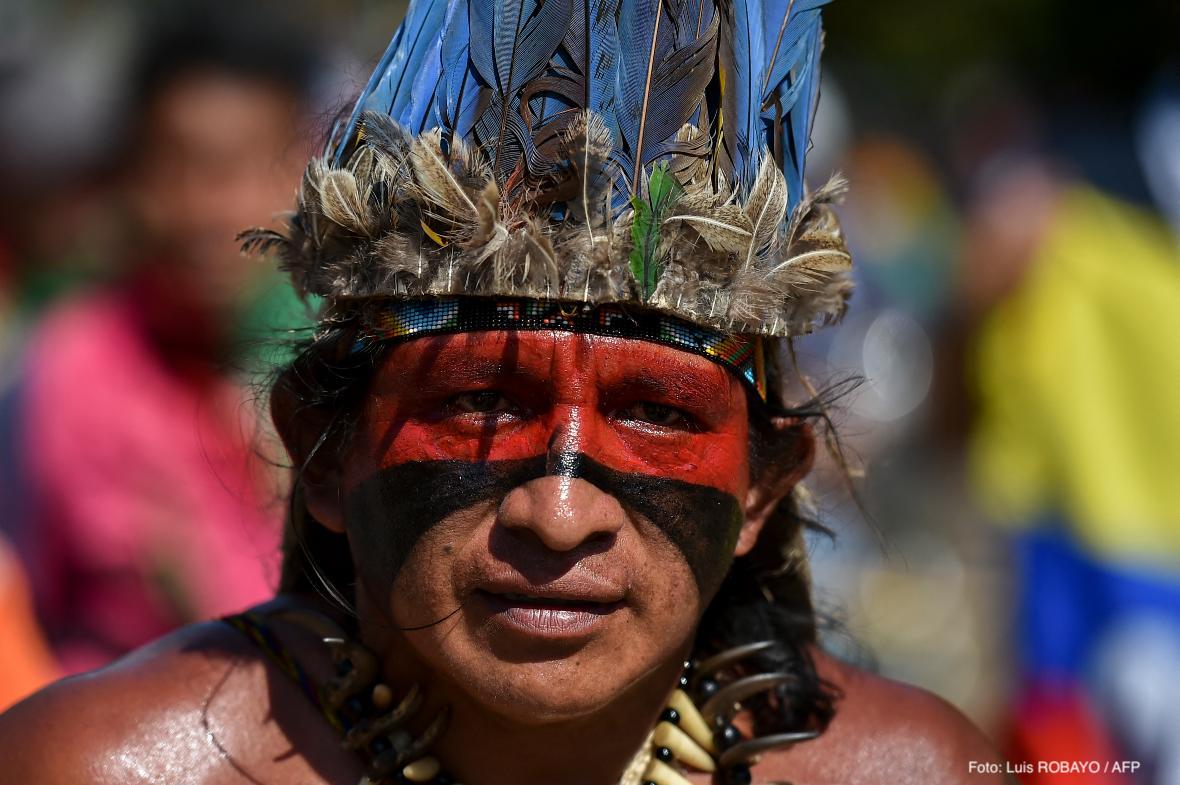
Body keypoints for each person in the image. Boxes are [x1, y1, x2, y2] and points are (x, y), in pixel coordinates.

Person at [0, 0, 1007, 782]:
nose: (560, 513)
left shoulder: (910, 768)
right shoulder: (105, 765)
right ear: (322, 446)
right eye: (478, 400)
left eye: (657, 413)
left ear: (760, 484)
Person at [0, 2, 319, 671]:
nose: (205, 211)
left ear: (308, 171)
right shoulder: (69, 371)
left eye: (237, 169)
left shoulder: (345, 364)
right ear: (126, 174)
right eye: (172, 166)